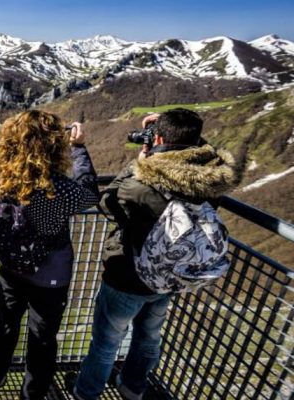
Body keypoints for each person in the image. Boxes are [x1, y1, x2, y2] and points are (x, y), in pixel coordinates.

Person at [73, 108, 239, 400]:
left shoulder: (139, 186)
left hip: (128, 276)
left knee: (106, 343)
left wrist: (139, 163)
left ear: (157, 138)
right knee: (148, 338)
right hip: (169, 277)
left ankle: (87, 394)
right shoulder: (208, 181)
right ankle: (133, 387)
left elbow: (106, 202)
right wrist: (179, 135)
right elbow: (202, 153)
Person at [0, 110, 99, 399]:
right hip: (49, 273)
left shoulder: (2, 178)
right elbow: (90, 195)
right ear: (53, 145)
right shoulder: (60, 190)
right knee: (43, 338)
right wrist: (79, 149)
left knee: (5, 326)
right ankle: (32, 394)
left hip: (14, 265)